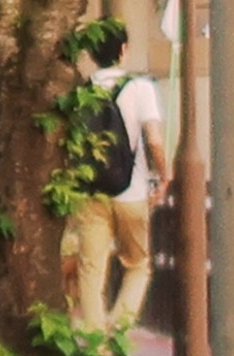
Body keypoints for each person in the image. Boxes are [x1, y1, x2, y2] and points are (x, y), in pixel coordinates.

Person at [69, 28, 169, 332]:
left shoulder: (80, 91)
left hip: (89, 193)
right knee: (138, 266)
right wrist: (164, 177)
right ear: (123, 50)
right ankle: (119, 327)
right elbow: (153, 141)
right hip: (132, 191)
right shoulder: (140, 88)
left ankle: (97, 345)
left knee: (91, 269)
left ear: (91, 55)